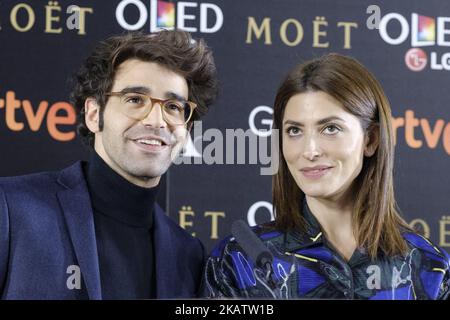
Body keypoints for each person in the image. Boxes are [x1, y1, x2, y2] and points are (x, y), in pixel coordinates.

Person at [201, 53, 450, 300]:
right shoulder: (240, 261)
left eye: (330, 129)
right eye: (294, 131)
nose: (309, 151)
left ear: (371, 140)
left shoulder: (430, 267)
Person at [0, 30, 218, 299]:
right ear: (94, 114)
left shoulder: (189, 255)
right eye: (135, 100)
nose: (157, 121)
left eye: (173, 106)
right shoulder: (11, 209)